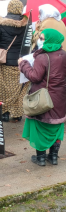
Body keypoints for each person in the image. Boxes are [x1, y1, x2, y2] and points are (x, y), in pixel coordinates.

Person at [19, 29, 66, 166]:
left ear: (50, 39)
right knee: (56, 127)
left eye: (43, 38)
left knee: (39, 126)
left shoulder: (42, 57)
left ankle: (40, 158)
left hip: (42, 98)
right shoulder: (64, 54)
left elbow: (34, 76)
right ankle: (54, 157)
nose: (40, 40)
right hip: (60, 98)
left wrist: (23, 64)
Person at [0, 0, 29, 122]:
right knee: (19, 89)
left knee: (3, 88)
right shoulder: (26, 25)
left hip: (4, 61)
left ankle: (4, 113)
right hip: (20, 61)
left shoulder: (1, 24)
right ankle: (17, 114)